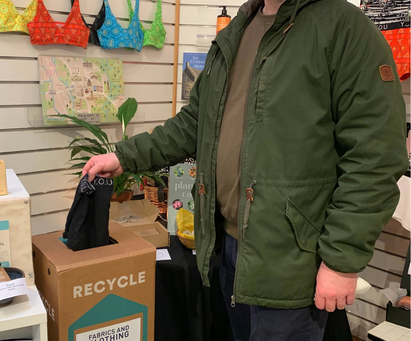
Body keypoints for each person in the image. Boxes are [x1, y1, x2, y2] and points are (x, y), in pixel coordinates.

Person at [82, 0, 409, 338]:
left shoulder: (343, 26)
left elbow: (375, 155)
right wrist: (124, 157)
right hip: (227, 247)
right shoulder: (239, 27)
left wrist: (341, 260)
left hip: (291, 260)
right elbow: (196, 122)